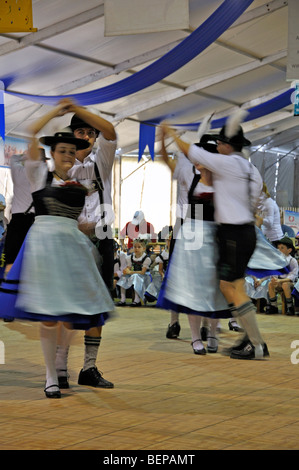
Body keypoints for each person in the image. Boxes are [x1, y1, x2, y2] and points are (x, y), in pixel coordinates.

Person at [0, 102, 115, 398]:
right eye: (62, 149)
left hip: (79, 245)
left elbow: (109, 133)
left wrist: (89, 226)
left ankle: (75, 367)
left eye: (70, 149)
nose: (67, 153)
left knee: (75, 312)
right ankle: (54, 373)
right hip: (48, 247)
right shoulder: (42, 174)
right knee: (52, 314)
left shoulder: (89, 172)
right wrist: (55, 113)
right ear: (54, 152)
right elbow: (31, 135)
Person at [161, 115, 269, 360]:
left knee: (230, 288)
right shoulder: (249, 168)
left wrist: (172, 134)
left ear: (228, 146)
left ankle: (256, 342)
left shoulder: (227, 164)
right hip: (246, 231)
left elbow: (193, 152)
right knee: (234, 285)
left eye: (220, 142)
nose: (217, 146)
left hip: (231, 233)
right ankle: (250, 339)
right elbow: (256, 201)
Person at [53, 98, 117, 389]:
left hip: (102, 238)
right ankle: (60, 367)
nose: (88, 136)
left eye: (91, 133)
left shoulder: (101, 161)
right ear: (70, 135)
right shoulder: (59, 165)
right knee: (67, 304)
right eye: (82, 132)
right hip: (71, 239)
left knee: (98, 303)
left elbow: (111, 131)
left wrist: (79, 110)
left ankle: (88, 367)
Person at [157, 134, 231, 355]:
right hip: (190, 231)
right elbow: (164, 159)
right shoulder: (188, 176)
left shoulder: (224, 181)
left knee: (215, 286)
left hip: (215, 235)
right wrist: (163, 139)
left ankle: (213, 332)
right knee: (191, 286)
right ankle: (194, 336)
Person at [265, 236, 298, 315]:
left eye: (282, 248)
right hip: (278, 281)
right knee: (270, 284)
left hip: (289, 282)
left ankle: (290, 307)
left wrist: (281, 280)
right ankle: (274, 306)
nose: (279, 250)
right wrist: (273, 279)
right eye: (278, 248)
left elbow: (293, 275)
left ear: (289, 250)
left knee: (285, 285)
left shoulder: (292, 261)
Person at [117, 238, 152, 306]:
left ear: (144, 248)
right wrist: (125, 271)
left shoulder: (146, 259)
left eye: (139, 247)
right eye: (135, 247)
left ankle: (137, 300)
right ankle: (122, 299)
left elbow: (143, 272)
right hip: (134, 275)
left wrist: (130, 272)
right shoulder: (130, 257)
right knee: (124, 277)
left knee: (135, 277)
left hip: (144, 277)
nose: (136, 249)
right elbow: (129, 268)